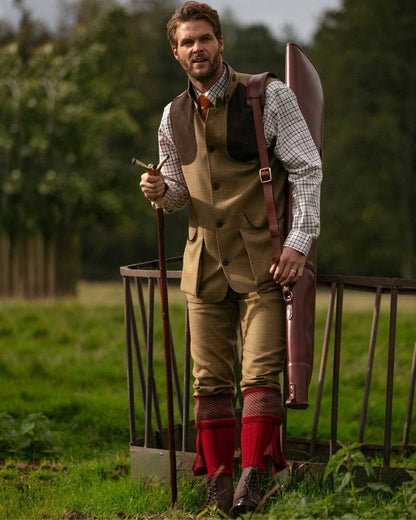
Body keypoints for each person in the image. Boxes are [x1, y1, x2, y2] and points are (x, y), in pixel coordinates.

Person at [139, 2, 322, 516]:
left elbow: (307, 169)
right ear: (175, 53)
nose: (197, 48)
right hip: (203, 266)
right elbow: (177, 195)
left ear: (220, 42)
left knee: (261, 374)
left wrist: (297, 243)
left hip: (265, 263)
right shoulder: (171, 115)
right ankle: (218, 483)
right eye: (186, 42)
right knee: (209, 380)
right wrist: (157, 189)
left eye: (205, 38)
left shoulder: (268, 97)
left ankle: (253, 480)